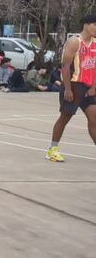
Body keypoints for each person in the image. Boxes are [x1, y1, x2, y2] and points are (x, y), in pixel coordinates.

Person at [46, 14, 96, 162]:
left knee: (94, 118)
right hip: (74, 85)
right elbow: (65, 67)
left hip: (89, 87)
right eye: (94, 25)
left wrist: (94, 87)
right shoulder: (75, 42)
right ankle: (52, 150)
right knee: (65, 117)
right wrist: (67, 89)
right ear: (85, 25)